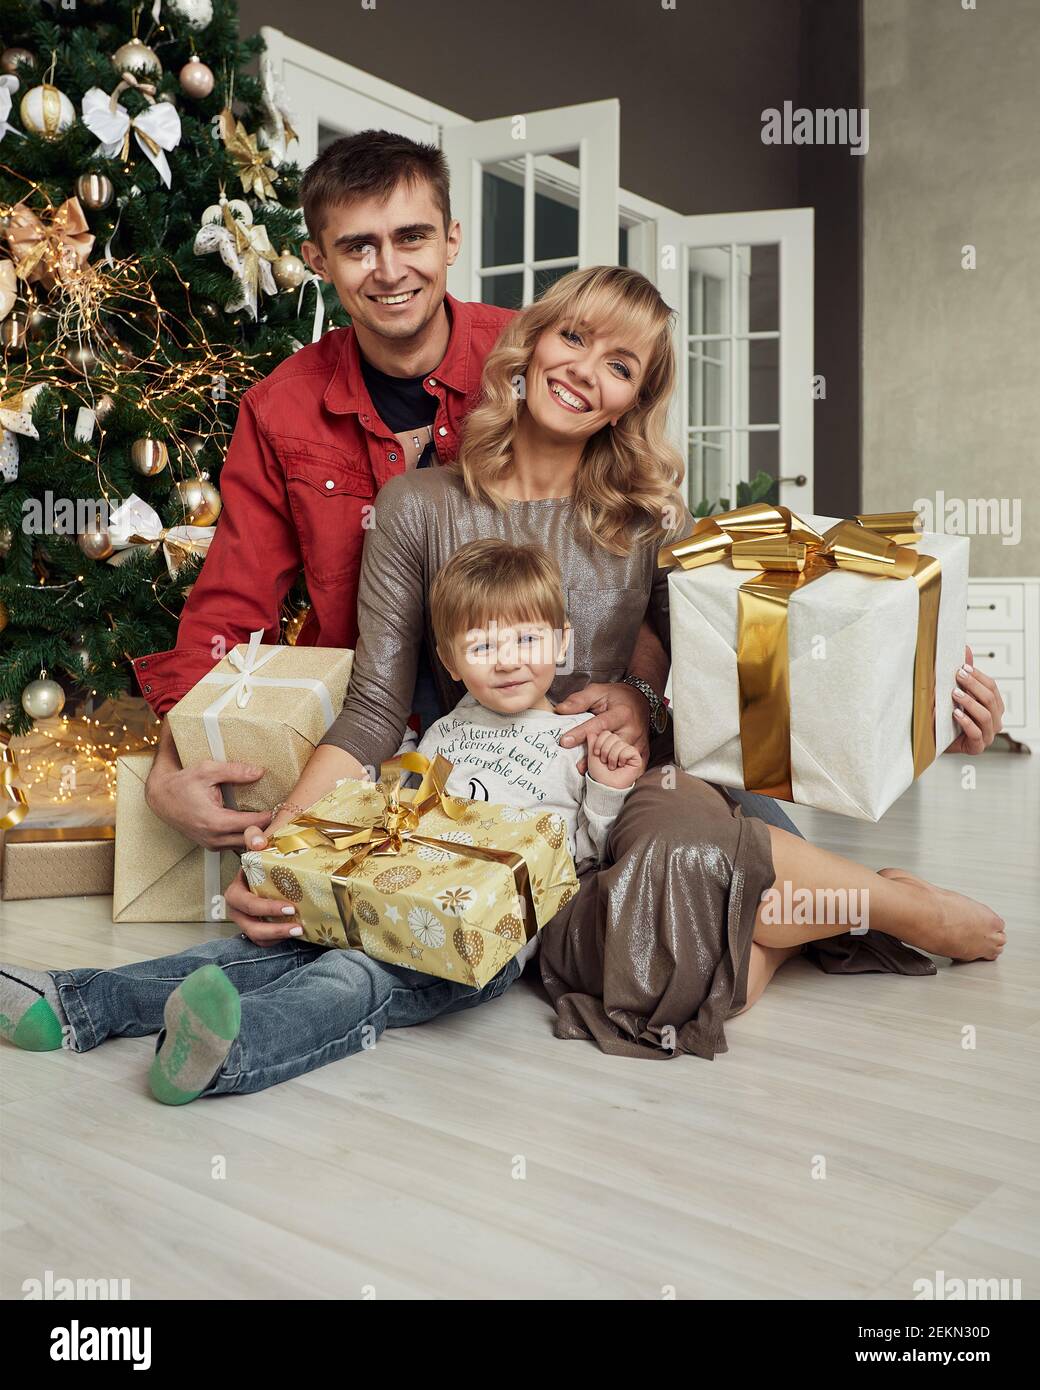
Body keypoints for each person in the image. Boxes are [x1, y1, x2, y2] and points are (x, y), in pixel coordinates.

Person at [224, 265, 1007, 1060]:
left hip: (644, 784)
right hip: (519, 815)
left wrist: (933, 707)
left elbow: (750, 667)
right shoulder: (418, 506)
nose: (584, 372)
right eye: (573, 336)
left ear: (634, 400)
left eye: (621, 366)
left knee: (677, 865)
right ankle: (839, 913)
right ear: (529, 343)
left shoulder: (653, 520)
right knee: (616, 959)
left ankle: (909, 911)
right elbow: (372, 710)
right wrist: (283, 845)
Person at [138, 131, 688, 853]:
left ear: (451, 239)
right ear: (317, 261)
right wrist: (171, 757)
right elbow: (233, 605)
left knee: (729, 841)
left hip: (551, 727)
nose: (389, 269)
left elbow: (630, 567)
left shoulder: (536, 356)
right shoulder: (282, 410)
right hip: (376, 719)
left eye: (413, 237)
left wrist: (640, 697)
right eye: (358, 246)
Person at [0, 535, 643, 1101]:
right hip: (383, 898)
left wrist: (612, 787)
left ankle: (228, 1051)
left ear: (562, 643)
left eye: (528, 638)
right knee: (260, 946)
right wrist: (364, 792)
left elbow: (586, 852)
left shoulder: (576, 737)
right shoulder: (444, 730)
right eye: (483, 644)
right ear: (448, 661)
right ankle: (75, 1003)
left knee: (350, 976)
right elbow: (395, 801)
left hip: (473, 944)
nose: (507, 659)